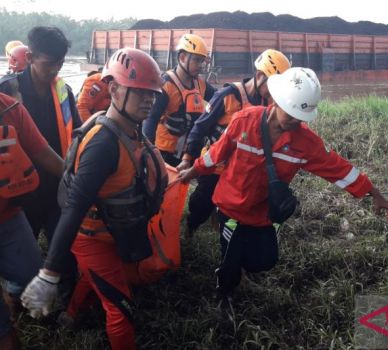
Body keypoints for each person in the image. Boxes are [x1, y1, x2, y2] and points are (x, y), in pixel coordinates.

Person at [177, 67, 388, 307]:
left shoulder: (306, 143)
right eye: (291, 114)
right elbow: (215, 154)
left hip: (263, 214)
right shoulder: (243, 121)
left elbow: (338, 168)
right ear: (277, 101)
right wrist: (192, 170)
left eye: (300, 118)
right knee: (230, 256)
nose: (295, 122)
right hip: (231, 208)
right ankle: (224, 293)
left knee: (264, 261)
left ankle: (241, 268)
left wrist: (373, 192)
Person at [21, 48, 167, 350]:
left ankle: (71, 316)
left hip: (111, 233)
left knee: (93, 278)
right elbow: (73, 207)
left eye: (152, 94)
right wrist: (49, 272)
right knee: (121, 308)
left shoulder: (131, 129)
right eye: (140, 93)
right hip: (91, 239)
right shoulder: (103, 143)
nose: (149, 101)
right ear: (114, 89)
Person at [178, 49, 291, 237]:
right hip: (215, 162)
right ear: (260, 76)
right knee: (202, 201)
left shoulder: (269, 103)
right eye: (274, 85)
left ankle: (220, 225)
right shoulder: (227, 95)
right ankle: (190, 227)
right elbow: (200, 127)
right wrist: (187, 157)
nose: (276, 92)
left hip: (240, 168)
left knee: (233, 205)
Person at [0, 26, 82, 242]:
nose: (55, 69)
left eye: (60, 63)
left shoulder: (65, 92)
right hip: (19, 191)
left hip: (57, 184)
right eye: (49, 64)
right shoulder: (7, 93)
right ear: (29, 58)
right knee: (23, 257)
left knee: (64, 255)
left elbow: (77, 134)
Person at [0, 92, 63, 350]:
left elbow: (43, 152)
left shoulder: (9, 108)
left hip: (8, 215)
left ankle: (10, 296)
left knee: (30, 272)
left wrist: (80, 183)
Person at [143, 33, 216, 166]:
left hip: (188, 153)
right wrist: (149, 154)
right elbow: (151, 120)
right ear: (182, 57)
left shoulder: (200, 85)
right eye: (196, 60)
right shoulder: (166, 85)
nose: (200, 65)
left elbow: (219, 98)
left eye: (202, 61)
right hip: (165, 153)